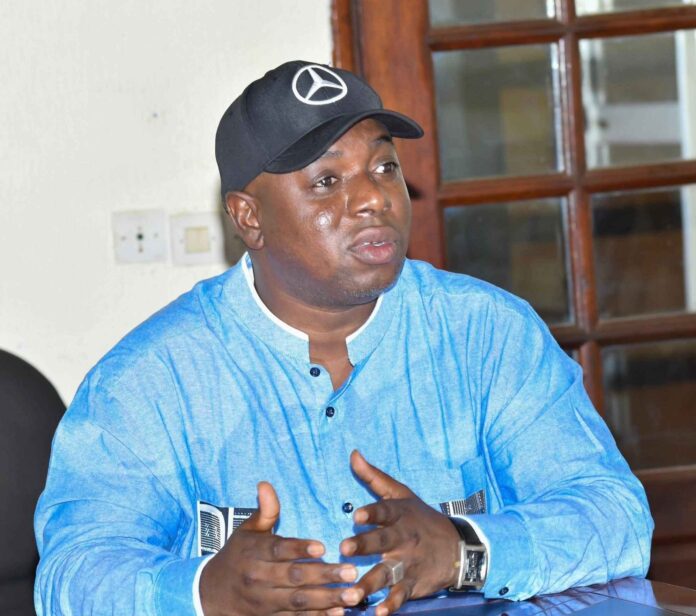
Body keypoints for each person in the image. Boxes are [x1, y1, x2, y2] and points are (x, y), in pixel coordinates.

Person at [34, 60, 653, 616]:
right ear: (249, 217)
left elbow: (614, 515)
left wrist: (465, 550)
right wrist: (206, 592)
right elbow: (72, 576)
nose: (373, 200)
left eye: (384, 167)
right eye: (327, 182)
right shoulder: (151, 378)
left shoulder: (487, 334)